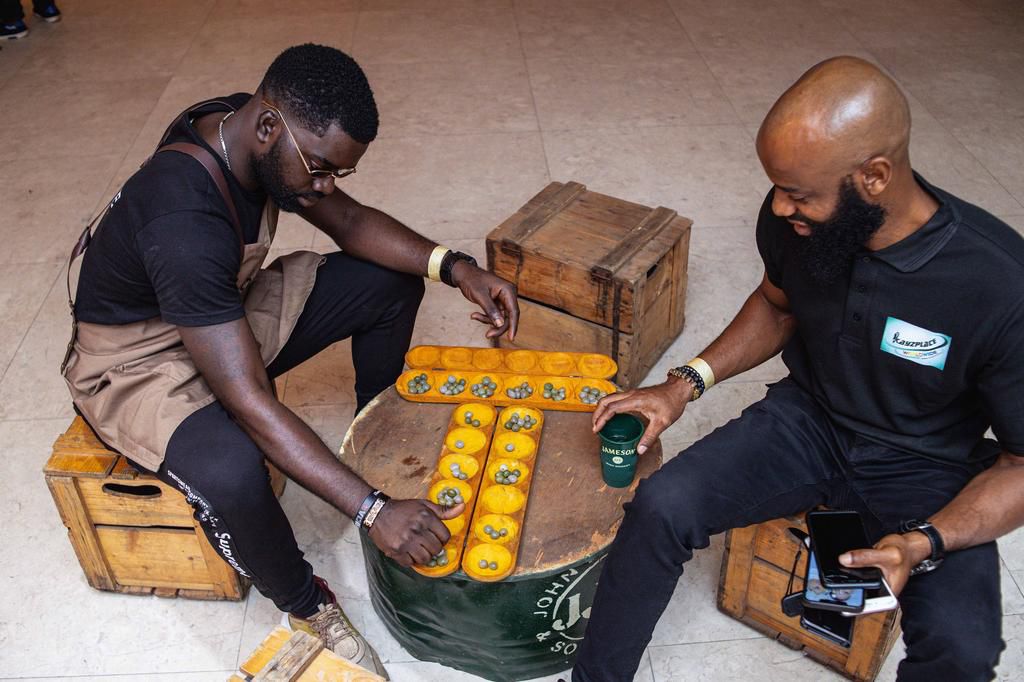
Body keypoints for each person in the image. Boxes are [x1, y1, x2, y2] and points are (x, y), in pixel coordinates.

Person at [62, 44, 519, 679]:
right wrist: (370, 510)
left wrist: (458, 268)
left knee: (389, 282)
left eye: (339, 172)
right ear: (270, 126)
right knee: (233, 467)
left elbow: (352, 221)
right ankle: (309, 606)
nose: (326, 187)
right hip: (138, 361)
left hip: (220, 310)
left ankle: (374, 436)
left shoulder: (251, 128)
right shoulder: (184, 220)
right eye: (322, 169)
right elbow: (249, 401)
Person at [568, 56, 1024, 681]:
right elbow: (777, 305)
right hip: (807, 423)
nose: (780, 208)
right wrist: (683, 386)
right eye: (778, 188)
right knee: (662, 506)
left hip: (929, 466)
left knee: (962, 649)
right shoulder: (802, 223)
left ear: (875, 177)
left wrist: (923, 543)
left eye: (799, 193)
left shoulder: (1000, 284)